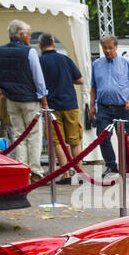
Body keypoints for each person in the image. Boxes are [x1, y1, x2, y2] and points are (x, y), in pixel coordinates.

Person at [0, 20, 48, 178]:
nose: (29, 37)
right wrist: (44, 100)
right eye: (28, 34)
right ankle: (35, 170)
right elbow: (39, 79)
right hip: (29, 99)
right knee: (34, 135)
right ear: (21, 35)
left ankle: (22, 169)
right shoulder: (29, 52)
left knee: (17, 135)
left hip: (10, 99)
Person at [89, 35, 129, 176]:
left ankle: (128, 165)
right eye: (104, 48)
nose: (107, 51)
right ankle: (111, 165)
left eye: (110, 48)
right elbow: (93, 87)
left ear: (116, 47)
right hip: (104, 107)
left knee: (127, 138)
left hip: (123, 108)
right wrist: (91, 105)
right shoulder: (96, 64)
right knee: (102, 136)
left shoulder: (127, 64)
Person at [36, 33, 83, 173]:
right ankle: (78, 173)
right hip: (70, 104)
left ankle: (65, 173)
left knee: (58, 141)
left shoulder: (39, 62)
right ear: (54, 44)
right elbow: (80, 80)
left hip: (51, 107)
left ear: (40, 45)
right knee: (75, 141)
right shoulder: (65, 59)